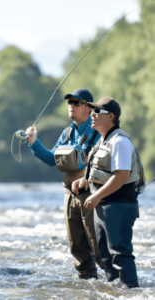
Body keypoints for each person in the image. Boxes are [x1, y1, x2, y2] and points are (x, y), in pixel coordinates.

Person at [26, 88, 104, 279]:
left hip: (91, 191)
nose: (72, 106)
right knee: (76, 245)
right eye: (70, 102)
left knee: (97, 244)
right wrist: (34, 143)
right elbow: (53, 159)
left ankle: (120, 285)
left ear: (88, 107)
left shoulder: (99, 130)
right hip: (69, 193)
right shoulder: (67, 132)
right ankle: (88, 287)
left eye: (76, 102)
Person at [72, 97, 140, 288]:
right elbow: (103, 172)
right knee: (105, 254)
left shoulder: (119, 141)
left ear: (111, 116)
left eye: (97, 112)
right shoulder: (103, 140)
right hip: (104, 205)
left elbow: (121, 176)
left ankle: (131, 292)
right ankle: (115, 291)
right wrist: (85, 181)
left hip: (118, 205)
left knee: (120, 253)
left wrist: (96, 195)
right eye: (92, 111)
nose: (92, 115)